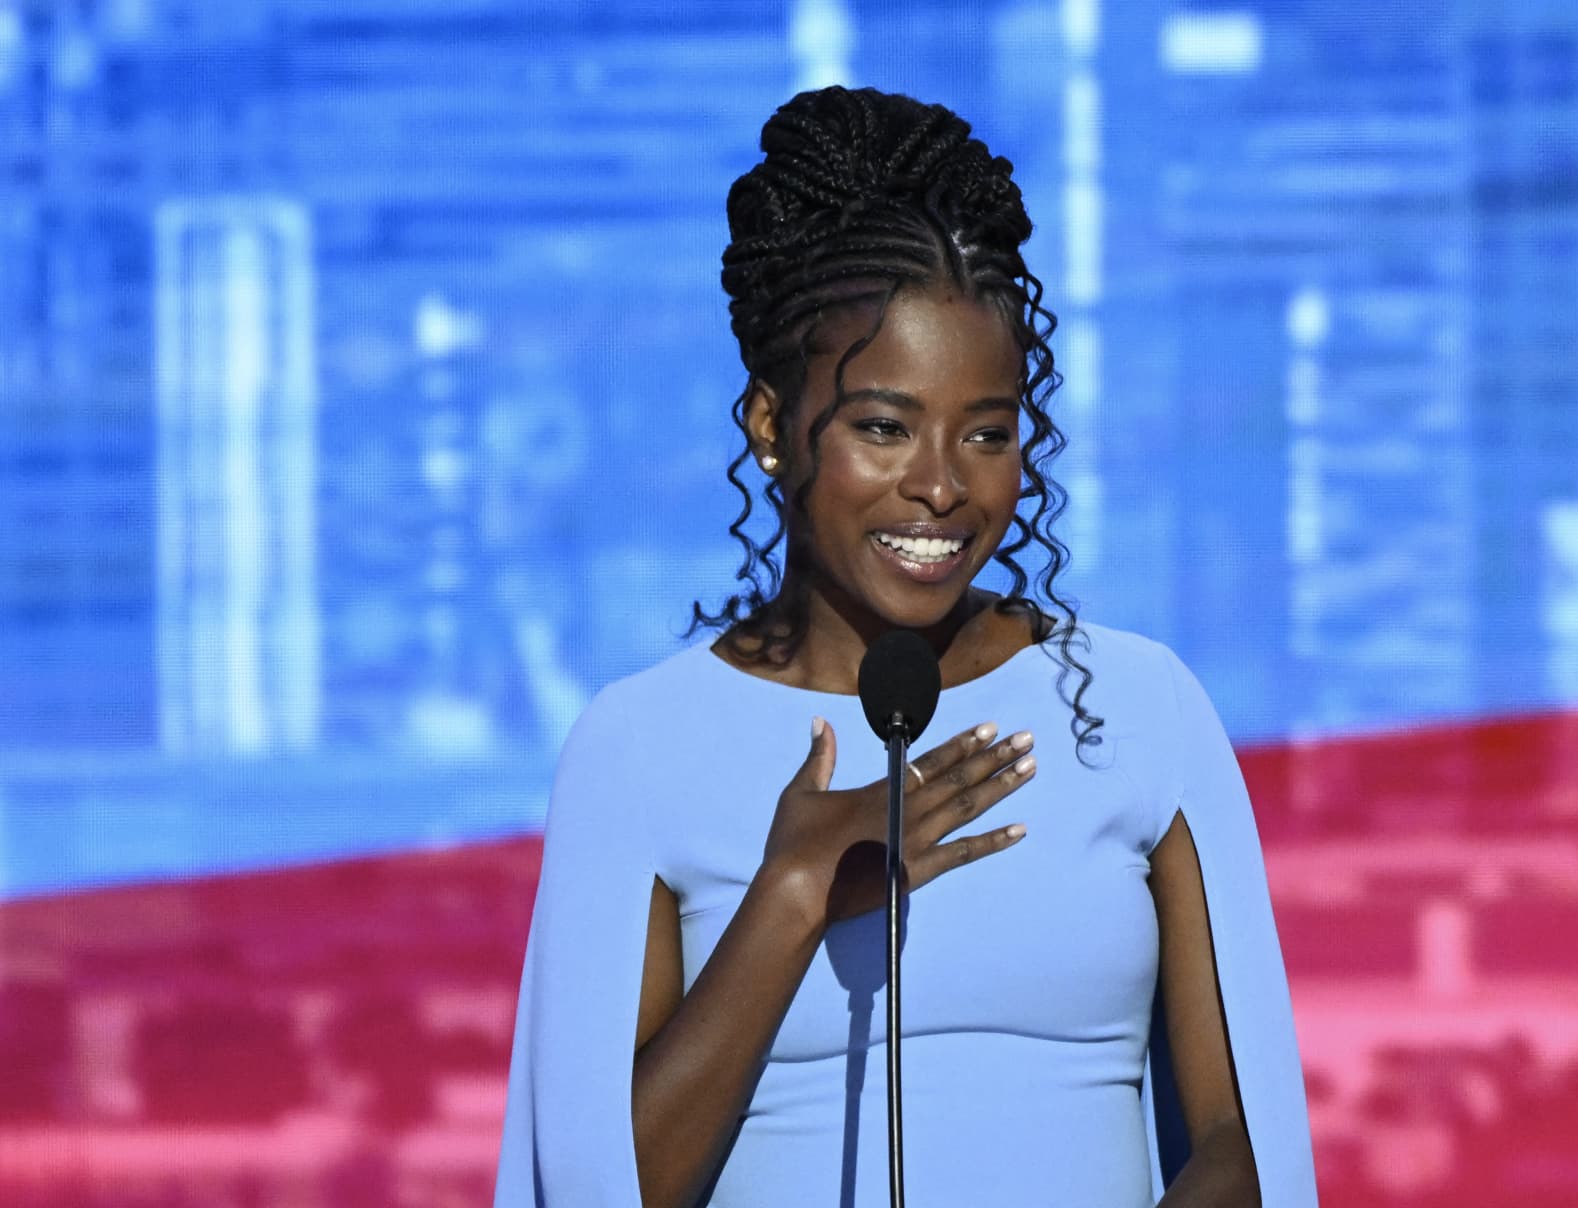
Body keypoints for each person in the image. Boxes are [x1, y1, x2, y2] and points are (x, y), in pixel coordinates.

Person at [493, 86, 1317, 1207]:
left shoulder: (1139, 706)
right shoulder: (638, 746)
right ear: (773, 426)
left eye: (987, 431)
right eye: (884, 426)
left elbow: (1245, 1140)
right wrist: (789, 890)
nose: (941, 483)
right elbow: (593, 1185)